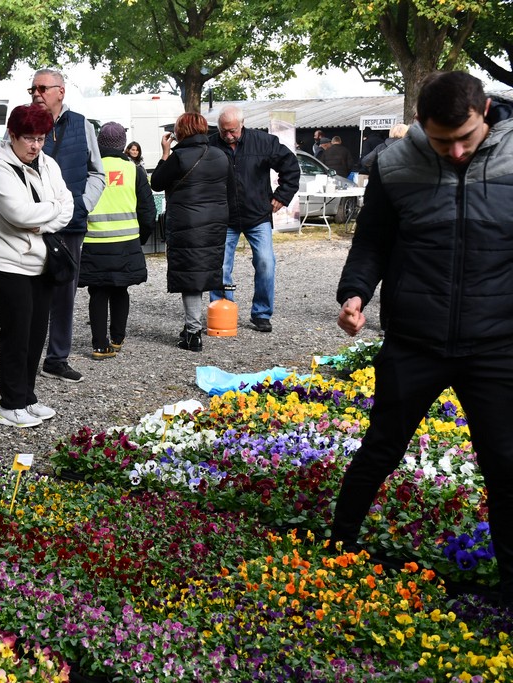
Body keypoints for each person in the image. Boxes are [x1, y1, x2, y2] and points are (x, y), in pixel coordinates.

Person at [330, 71, 513, 606]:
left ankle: (508, 594)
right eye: (440, 141)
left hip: (497, 344)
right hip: (415, 340)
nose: (455, 152)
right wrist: (355, 293)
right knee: (380, 449)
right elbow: (372, 243)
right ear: (419, 126)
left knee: (505, 467)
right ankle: (333, 551)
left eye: (466, 137)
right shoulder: (395, 165)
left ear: (486, 110)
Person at [0, 104, 73, 428]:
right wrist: (51, 211)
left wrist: (43, 217)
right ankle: (10, 404)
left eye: (41, 138)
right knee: (17, 332)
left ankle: (27, 396)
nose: (35, 145)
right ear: (13, 136)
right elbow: (19, 215)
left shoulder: (48, 164)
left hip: (39, 261)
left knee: (35, 333)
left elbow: (67, 206)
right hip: (2, 263)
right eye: (28, 138)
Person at [30, 67, 106, 383]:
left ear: (60, 91)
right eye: (32, 89)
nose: (36, 94)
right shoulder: (22, 125)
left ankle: (56, 359)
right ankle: (24, 355)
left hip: (70, 226)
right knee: (29, 292)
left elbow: (97, 173)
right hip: (32, 225)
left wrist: (82, 206)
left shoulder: (81, 125)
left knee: (64, 293)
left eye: (42, 88)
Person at [210, 104, 300, 333]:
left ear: (242, 125)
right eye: (224, 131)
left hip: (258, 215)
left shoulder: (264, 142)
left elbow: (291, 167)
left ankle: (261, 313)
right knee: (220, 267)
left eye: (232, 131)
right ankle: (223, 310)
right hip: (224, 216)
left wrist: (283, 196)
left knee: (266, 263)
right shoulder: (211, 145)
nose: (228, 136)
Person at [151, 112, 233, 352]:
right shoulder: (220, 155)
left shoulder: (179, 157)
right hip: (215, 223)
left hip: (187, 223)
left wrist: (165, 153)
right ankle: (196, 326)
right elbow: (229, 189)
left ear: (181, 132)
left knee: (190, 277)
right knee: (202, 273)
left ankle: (193, 332)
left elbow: (156, 182)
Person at [78, 122, 153, 359]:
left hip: (94, 240)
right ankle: (118, 339)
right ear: (122, 144)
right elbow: (148, 211)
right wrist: (142, 238)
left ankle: (100, 345)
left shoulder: (88, 169)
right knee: (121, 290)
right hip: (126, 241)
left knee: (98, 292)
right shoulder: (134, 170)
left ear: (99, 143)